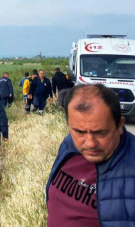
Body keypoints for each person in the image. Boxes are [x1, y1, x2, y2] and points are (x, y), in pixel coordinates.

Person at [46, 84, 133, 227]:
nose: (90, 143)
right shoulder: (69, 145)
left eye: (101, 133)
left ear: (120, 125)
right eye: (79, 132)